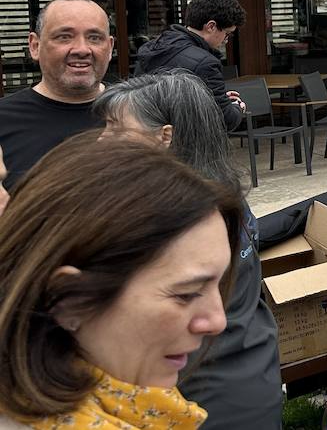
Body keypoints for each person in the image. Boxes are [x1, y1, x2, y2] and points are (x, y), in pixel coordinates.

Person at [0, 136, 240, 429]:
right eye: (187, 294)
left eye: (219, 282)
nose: (218, 321)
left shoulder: (125, 402)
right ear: (68, 299)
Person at [93, 72, 282, 430]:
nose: (102, 140)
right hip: (248, 374)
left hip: (199, 397)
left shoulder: (173, 220)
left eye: (115, 129)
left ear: (164, 136)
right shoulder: (223, 198)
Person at [0, 0, 112, 189]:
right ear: (35, 46)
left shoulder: (139, 113)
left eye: (94, 37)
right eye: (64, 37)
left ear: (110, 47)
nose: (82, 49)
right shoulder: (3, 119)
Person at [133, 0, 246, 131]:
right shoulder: (206, 64)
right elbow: (224, 119)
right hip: (185, 145)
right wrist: (236, 108)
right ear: (211, 26)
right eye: (227, 34)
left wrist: (218, 99)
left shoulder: (153, 48)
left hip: (147, 137)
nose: (226, 40)